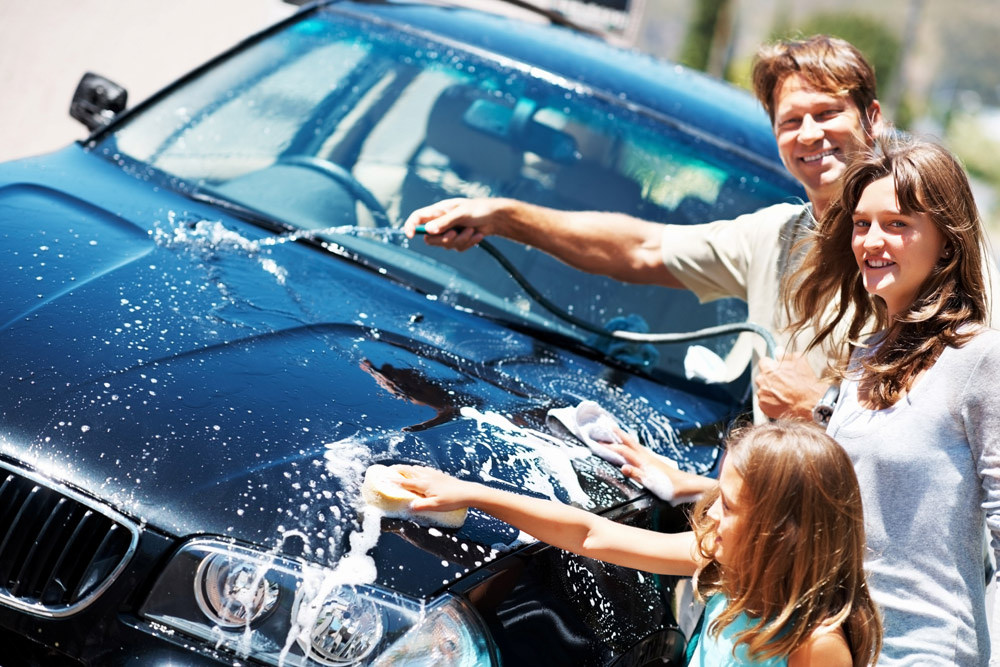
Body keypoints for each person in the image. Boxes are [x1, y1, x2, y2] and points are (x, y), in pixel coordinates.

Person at [404, 34, 886, 423]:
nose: (808, 134)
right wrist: (504, 217)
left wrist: (822, 408)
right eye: (790, 120)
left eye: (826, 113)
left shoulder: (911, 249)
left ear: (872, 119)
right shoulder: (777, 235)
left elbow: (940, 427)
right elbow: (640, 248)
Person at [395, 420, 882, 665]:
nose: (707, 514)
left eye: (728, 506)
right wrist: (473, 494)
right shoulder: (728, 561)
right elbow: (591, 533)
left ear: (783, 533)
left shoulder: (816, 645)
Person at [783, 134, 1000, 664]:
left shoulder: (978, 359)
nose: (872, 241)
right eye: (862, 224)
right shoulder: (867, 350)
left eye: (898, 225)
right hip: (838, 647)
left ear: (947, 240)